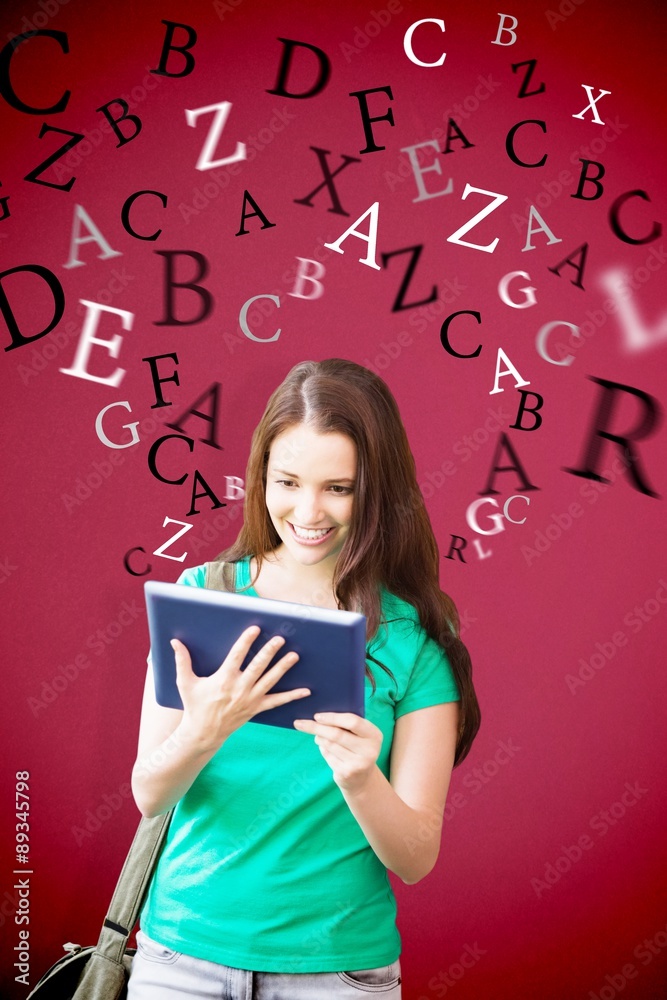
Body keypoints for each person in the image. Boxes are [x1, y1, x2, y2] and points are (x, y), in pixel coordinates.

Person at [128, 358, 481, 1000]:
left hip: (338, 974)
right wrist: (202, 731)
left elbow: (415, 857)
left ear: (377, 490)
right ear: (260, 474)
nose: (308, 511)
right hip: (179, 958)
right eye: (287, 481)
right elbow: (149, 793)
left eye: (339, 488)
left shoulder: (415, 642)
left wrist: (359, 777)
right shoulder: (198, 599)